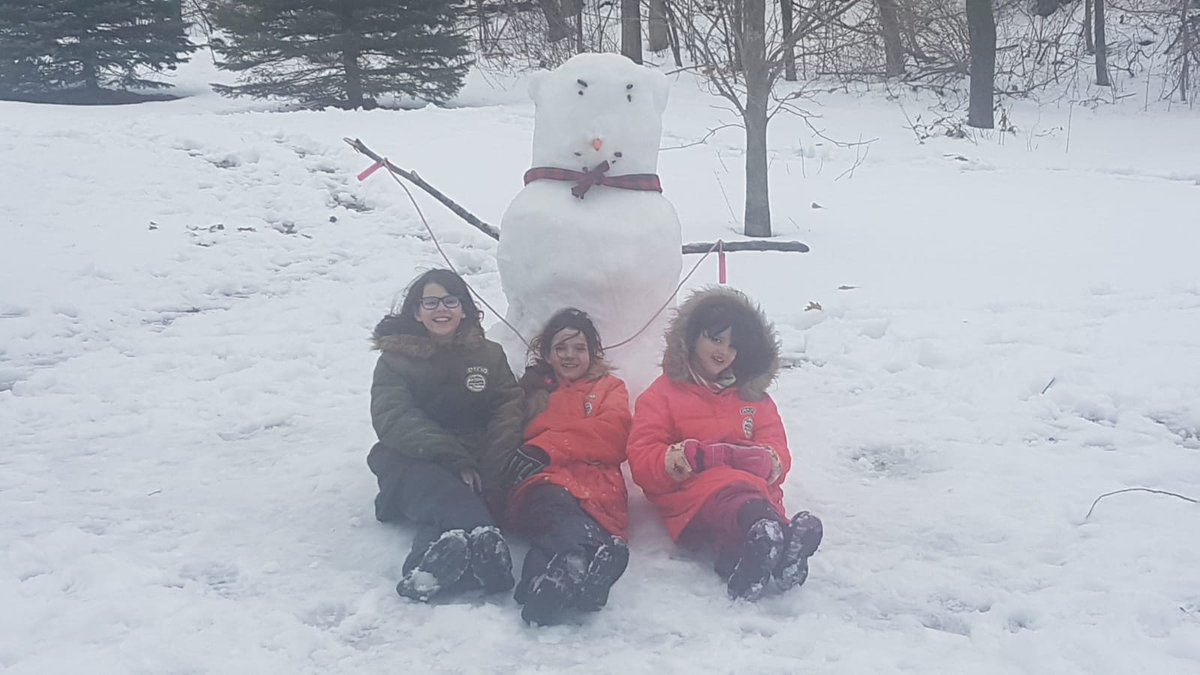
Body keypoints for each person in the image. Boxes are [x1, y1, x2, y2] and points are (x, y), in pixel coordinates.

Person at [627, 286, 823, 601]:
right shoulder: (662, 395)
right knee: (728, 487)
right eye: (715, 339)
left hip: (756, 492)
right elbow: (643, 457)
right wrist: (689, 457)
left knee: (746, 494)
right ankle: (781, 538)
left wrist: (766, 460)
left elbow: (777, 447)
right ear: (692, 338)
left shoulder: (753, 398)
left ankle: (764, 554)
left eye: (733, 346)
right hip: (693, 500)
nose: (723, 352)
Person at [367, 268, 525, 602]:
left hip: (478, 457)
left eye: (450, 300)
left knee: (454, 510)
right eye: (431, 302)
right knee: (442, 489)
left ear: (464, 308)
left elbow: (508, 406)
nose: (442, 309)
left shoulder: (488, 355)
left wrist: (492, 464)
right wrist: (454, 459)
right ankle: (486, 542)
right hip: (415, 458)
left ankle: (430, 567)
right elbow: (393, 417)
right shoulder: (395, 359)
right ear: (417, 312)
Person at [500, 308, 632, 625]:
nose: (570, 356)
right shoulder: (532, 393)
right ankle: (582, 564)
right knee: (561, 518)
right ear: (546, 353)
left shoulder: (609, 387)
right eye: (561, 348)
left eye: (579, 348)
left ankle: (542, 586)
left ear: (593, 352)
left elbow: (614, 432)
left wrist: (547, 447)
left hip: (598, 490)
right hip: (544, 484)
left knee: (558, 536)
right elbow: (504, 435)